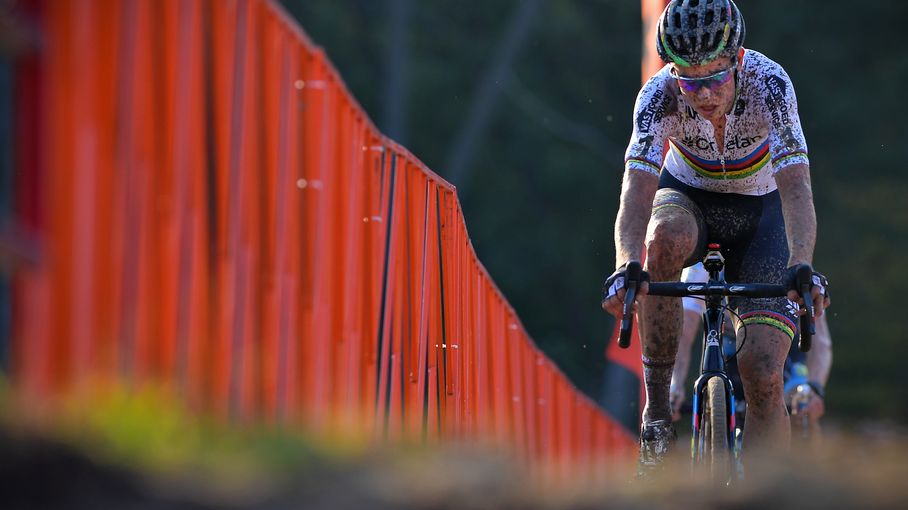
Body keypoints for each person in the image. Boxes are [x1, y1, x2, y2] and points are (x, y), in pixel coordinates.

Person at [599, 0, 830, 470]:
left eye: (715, 78)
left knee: (764, 372)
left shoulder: (771, 84)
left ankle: (767, 491)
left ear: (738, 59)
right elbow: (636, 192)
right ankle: (659, 412)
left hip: (762, 214)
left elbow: (797, 188)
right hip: (689, 199)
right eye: (689, 79)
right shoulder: (658, 95)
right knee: (662, 235)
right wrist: (626, 264)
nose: (702, 93)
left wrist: (801, 263)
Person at [668, 263, 832, 443]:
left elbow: (820, 341)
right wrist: (676, 383)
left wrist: (815, 388)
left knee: (801, 402)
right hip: (729, 350)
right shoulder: (700, 267)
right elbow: (683, 332)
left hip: (786, 354)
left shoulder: (788, 255)